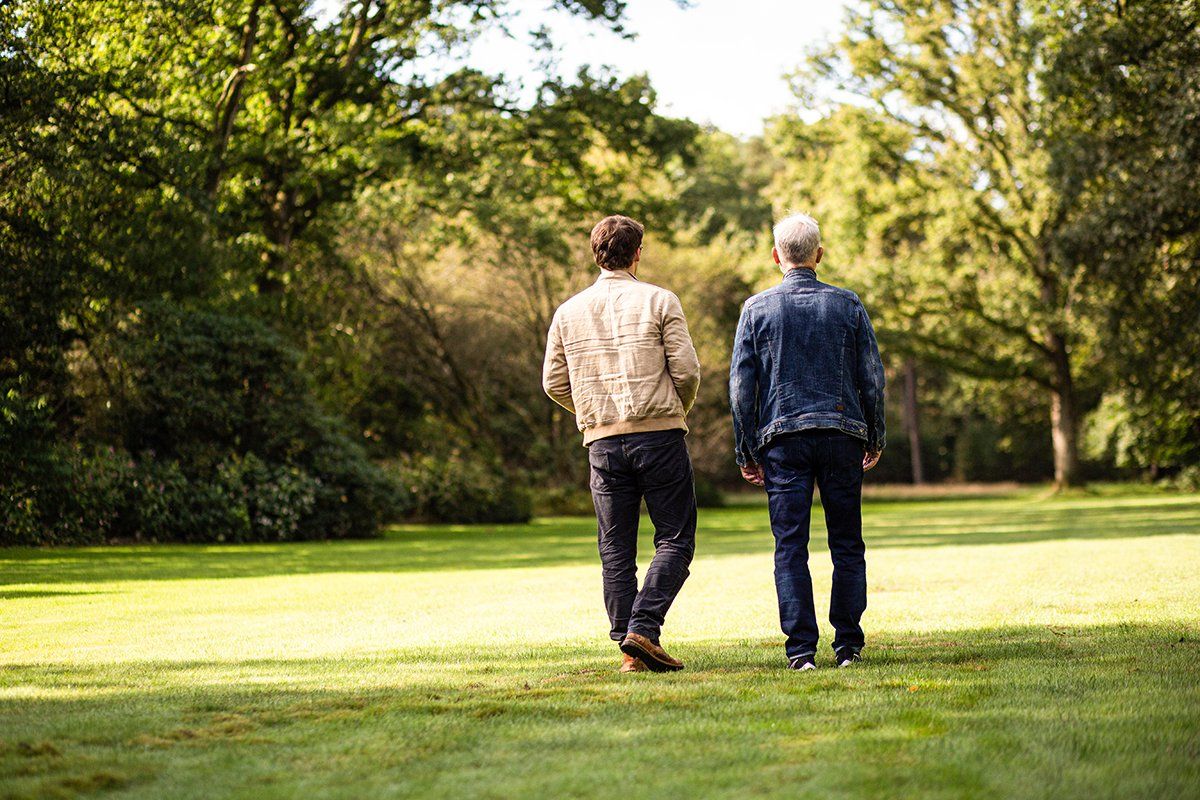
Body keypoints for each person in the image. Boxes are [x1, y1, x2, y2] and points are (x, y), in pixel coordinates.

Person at [542, 214, 701, 673]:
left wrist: (593, 413)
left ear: (596, 254)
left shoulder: (568, 311)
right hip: (659, 435)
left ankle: (629, 648)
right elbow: (687, 371)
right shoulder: (660, 300)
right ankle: (642, 632)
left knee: (616, 549)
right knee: (674, 538)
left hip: (603, 444)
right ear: (637, 253)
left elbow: (553, 382)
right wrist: (675, 409)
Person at [729, 213, 886, 671]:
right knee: (847, 543)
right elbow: (872, 379)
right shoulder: (849, 304)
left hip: (782, 440)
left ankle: (800, 650)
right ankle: (848, 646)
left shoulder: (756, 309)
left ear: (777, 256)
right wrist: (874, 435)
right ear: (819, 254)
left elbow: (741, 387)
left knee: (790, 546)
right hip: (842, 436)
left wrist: (747, 449)